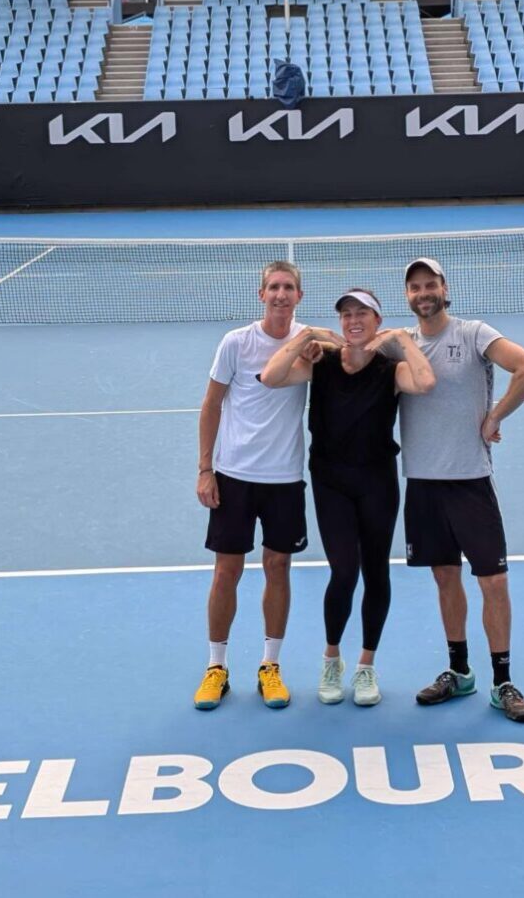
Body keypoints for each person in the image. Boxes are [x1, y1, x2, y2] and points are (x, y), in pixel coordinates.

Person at [388, 258, 524, 722]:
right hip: (422, 484)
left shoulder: (474, 333)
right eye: (415, 287)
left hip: (470, 481)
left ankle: (503, 682)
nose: (423, 293)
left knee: (492, 582)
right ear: (408, 296)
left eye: (430, 284)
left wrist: (495, 415)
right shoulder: (401, 346)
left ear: (444, 288)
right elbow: (352, 355)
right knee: (444, 578)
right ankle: (459, 672)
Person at [261, 289, 435, 706]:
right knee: (344, 571)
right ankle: (331, 658)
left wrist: (402, 341)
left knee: (376, 571)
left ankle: (366, 666)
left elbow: (426, 382)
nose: (353, 320)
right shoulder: (319, 364)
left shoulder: (391, 369)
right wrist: (307, 337)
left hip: (377, 481)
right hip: (330, 481)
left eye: (363, 314)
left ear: (377, 321)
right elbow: (271, 375)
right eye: (345, 315)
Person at [193, 260, 327, 712]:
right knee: (226, 571)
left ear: (299, 297)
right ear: (261, 294)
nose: (281, 295)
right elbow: (211, 405)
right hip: (233, 475)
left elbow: (348, 347)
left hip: (284, 477)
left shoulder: (310, 340)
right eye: (273, 287)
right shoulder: (236, 342)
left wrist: (314, 343)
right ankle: (216, 667)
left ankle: (270, 666)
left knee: (278, 567)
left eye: (289, 288)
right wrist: (204, 469)